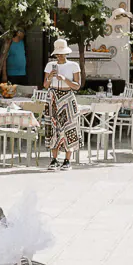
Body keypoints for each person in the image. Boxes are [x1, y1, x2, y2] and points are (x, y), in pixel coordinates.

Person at [43, 36, 81, 169]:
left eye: (62, 53)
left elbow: (77, 86)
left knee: (69, 127)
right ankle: (54, 159)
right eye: (58, 54)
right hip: (53, 97)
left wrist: (64, 79)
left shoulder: (74, 65)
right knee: (53, 127)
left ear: (66, 53)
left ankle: (67, 160)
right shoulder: (50, 65)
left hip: (68, 97)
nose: (59, 56)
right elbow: (45, 85)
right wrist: (50, 77)